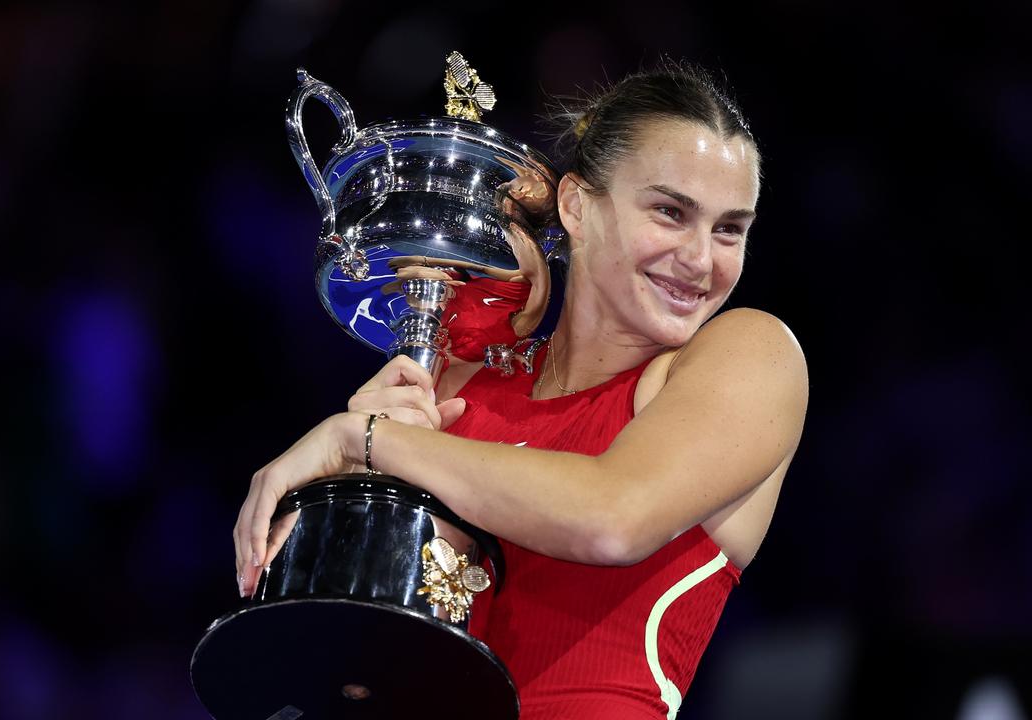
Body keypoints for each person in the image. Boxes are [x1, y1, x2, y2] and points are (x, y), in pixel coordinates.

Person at [233, 58, 809, 719]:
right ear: (575, 206)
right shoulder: (457, 386)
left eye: (729, 228)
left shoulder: (752, 356)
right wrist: (353, 513)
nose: (702, 258)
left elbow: (612, 520)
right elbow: (368, 658)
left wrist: (364, 440)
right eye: (670, 212)